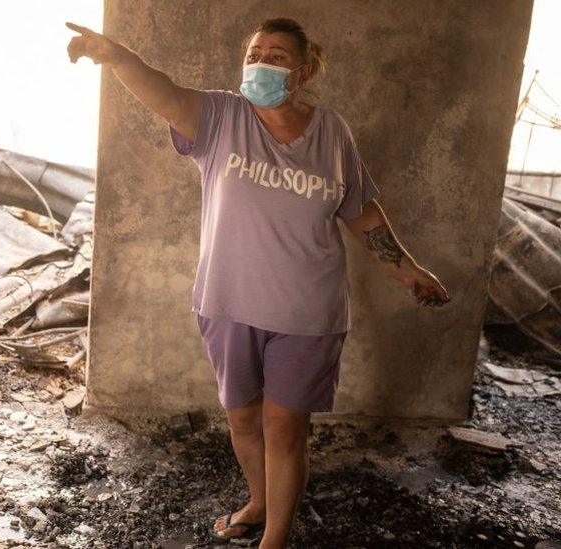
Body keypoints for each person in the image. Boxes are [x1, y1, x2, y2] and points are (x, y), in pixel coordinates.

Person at [66, 17, 450, 549]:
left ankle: (276, 538)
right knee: (243, 419)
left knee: (285, 427)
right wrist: (117, 55)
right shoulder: (222, 116)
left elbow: (360, 212)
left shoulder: (333, 131)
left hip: (308, 312)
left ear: (305, 69)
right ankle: (260, 500)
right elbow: (164, 93)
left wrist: (409, 270)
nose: (260, 64)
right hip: (228, 302)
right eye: (254, 53)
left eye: (275, 56)